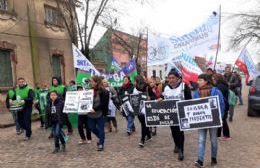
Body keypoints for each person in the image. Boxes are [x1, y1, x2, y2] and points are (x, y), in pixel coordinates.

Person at [159, 69, 192, 161]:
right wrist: (160, 99)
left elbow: (189, 99)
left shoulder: (184, 87)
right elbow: (163, 96)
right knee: (174, 132)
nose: (171, 80)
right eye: (169, 78)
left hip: (181, 114)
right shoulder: (166, 87)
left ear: (178, 78)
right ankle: (176, 144)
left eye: (173, 78)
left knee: (180, 132)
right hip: (171, 114)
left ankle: (181, 150)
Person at [194, 74, 225, 167]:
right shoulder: (196, 92)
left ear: (206, 81)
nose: (197, 82)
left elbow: (222, 104)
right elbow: (193, 106)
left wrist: (220, 117)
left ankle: (213, 157)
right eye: (198, 80)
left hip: (213, 121)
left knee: (213, 140)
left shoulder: (216, 91)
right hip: (201, 121)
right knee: (201, 140)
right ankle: (200, 160)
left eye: (200, 80)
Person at [88, 76, 109, 151]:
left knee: (101, 129)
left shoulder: (104, 91)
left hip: (100, 113)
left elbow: (104, 103)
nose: (90, 83)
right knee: (92, 128)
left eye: (92, 81)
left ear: (96, 82)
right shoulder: (89, 91)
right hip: (91, 114)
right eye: (90, 81)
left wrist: (95, 109)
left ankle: (101, 144)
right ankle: (101, 138)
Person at [133, 75, 152, 148]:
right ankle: (149, 136)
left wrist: (150, 98)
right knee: (143, 123)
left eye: (135, 81)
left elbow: (154, 96)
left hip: (146, 108)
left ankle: (142, 140)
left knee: (144, 124)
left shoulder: (147, 87)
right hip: (138, 108)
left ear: (138, 81)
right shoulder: (135, 88)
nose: (133, 82)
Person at [212, 74, 231, 141]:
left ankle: (227, 135)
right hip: (224, 105)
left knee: (223, 120)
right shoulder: (221, 85)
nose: (212, 80)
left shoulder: (220, 86)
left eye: (213, 79)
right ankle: (218, 135)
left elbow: (220, 97)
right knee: (220, 120)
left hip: (223, 105)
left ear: (217, 79)